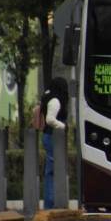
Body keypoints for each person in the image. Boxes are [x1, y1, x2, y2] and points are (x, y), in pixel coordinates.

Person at [41, 77, 68, 209]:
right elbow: (50, 120)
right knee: (52, 171)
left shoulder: (49, 97)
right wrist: (63, 126)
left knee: (50, 170)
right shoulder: (55, 100)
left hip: (49, 136)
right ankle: (50, 203)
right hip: (52, 137)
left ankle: (50, 202)